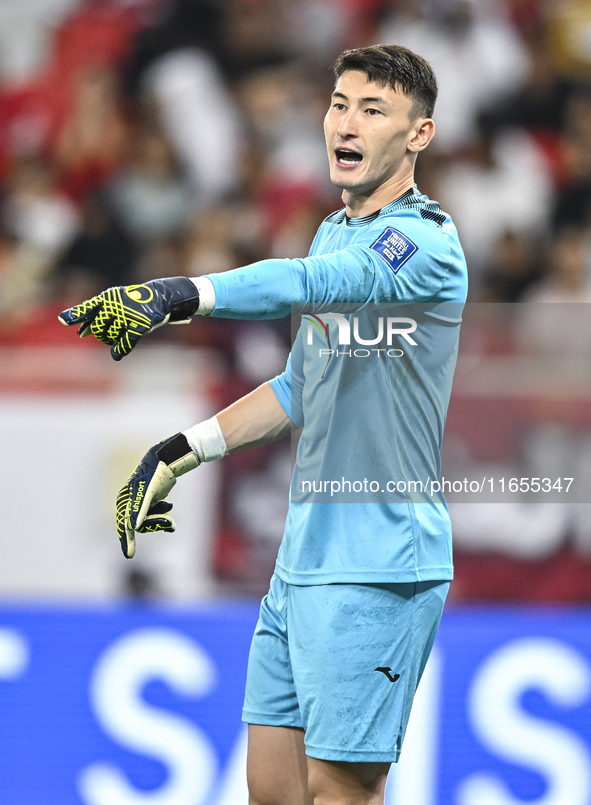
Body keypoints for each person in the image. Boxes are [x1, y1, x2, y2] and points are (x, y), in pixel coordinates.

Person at [59, 45, 467, 805]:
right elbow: (302, 385)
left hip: (379, 563)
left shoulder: (423, 244)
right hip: (301, 561)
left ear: (419, 135)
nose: (346, 123)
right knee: (272, 795)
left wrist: (178, 292)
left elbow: (308, 283)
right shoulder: (332, 229)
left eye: (372, 110)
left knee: (340, 793)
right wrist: (179, 450)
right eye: (339, 104)